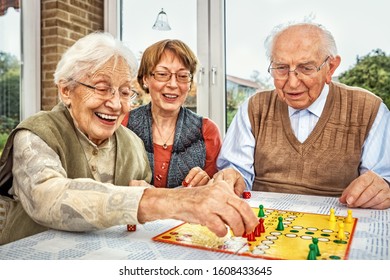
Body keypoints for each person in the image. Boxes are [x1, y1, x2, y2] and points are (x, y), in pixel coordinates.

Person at [0, 32, 257, 245]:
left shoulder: (132, 143)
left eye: (124, 92)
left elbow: (135, 222)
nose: (115, 104)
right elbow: (48, 197)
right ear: (66, 90)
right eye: (102, 88)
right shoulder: (35, 134)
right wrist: (171, 200)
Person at [217, 22, 390, 210]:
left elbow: (381, 179)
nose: (291, 83)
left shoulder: (369, 109)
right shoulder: (253, 108)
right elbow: (236, 172)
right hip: (265, 223)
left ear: (331, 67)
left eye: (306, 68)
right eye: (281, 68)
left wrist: (382, 187)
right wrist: (231, 178)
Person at [122, 39, 222, 188]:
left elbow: (216, 191)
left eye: (182, 76)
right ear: (145, 79)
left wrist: (208, 182)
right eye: (162, 74)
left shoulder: (207, 131)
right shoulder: (123, 124)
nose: (173, 84)